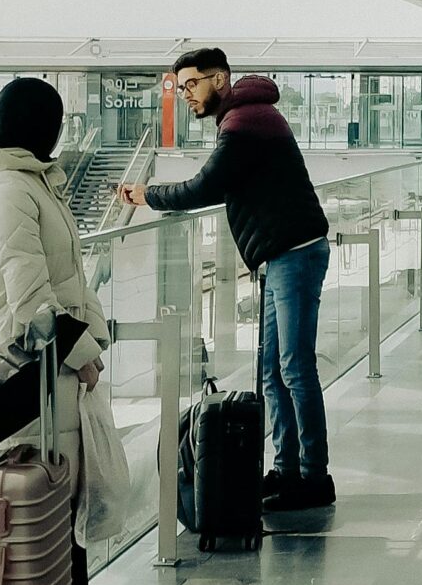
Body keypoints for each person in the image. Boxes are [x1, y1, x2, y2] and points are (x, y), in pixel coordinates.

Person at [120, 52, 334, 513]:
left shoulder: (244, 123)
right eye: (180, 87)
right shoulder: (245, 117)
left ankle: (315, 477)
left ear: (219, 79)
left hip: (295, 255)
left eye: (191, 84)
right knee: (273, 373)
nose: (186, 95)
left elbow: (204, 187)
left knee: (295, 368)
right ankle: (287, 471)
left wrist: (147, 195)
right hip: (282, 254)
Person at [0, 78, 146, 585]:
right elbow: (30, 299)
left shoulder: (34, 186)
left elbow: (70, 279)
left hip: (52, 367)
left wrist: (89, 340)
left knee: (63, 494)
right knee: (48, 497)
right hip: (24, 374)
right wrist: (82, 351)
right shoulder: (9, 191)